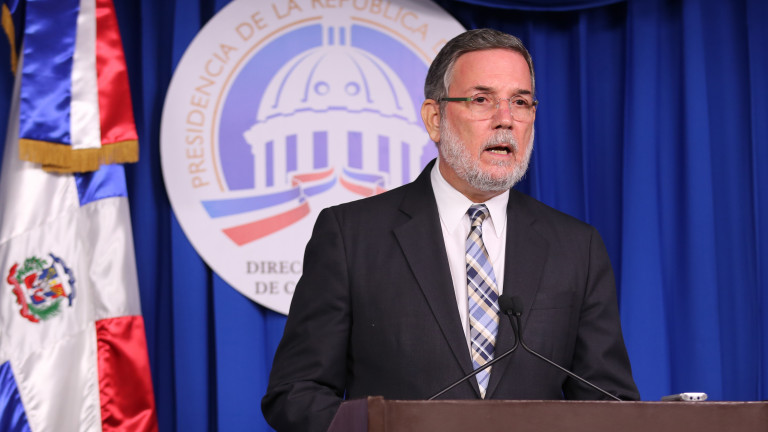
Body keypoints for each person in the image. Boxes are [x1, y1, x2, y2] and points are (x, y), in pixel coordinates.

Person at [262, 28, 639, 432]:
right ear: (434, 119)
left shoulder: (576, 247)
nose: (506, 119)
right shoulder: (351, 236)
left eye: (520, 102)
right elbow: (296, 392)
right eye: (482, 100)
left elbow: (610, 401)